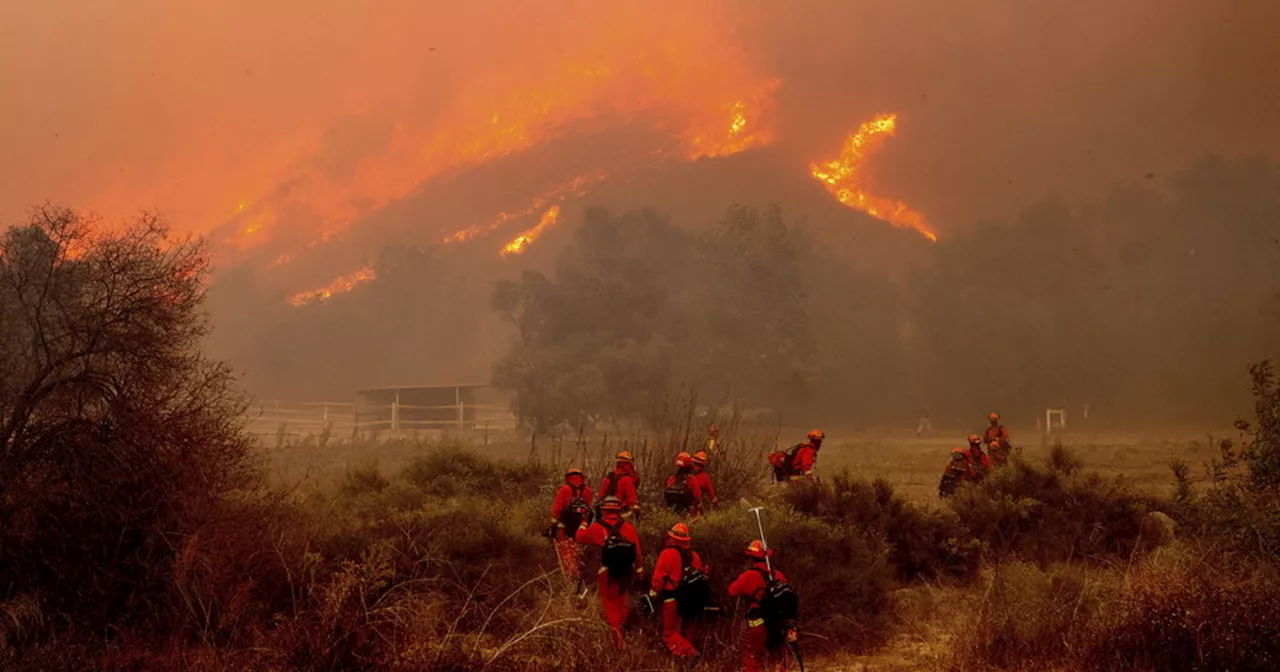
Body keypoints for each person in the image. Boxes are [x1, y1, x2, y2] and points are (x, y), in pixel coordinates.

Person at [576, 496, 644, 648]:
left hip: (606, 573)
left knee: (610, 606)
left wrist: (583, 522)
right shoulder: (629, 528)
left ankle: (618, 642)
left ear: (603, 511)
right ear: (619, 511)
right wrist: (639, 571)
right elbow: (638, 553)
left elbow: (579, 537)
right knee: (623, 603)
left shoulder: (596, 528)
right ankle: (623, 634)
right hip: (627, 572)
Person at [728, 540, 797, 672]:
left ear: (751, 558)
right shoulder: (778, 575)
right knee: (778, 657)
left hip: (758, 622)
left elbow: (732, 590)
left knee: (753, 657)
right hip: (778, 624)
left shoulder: (749, 575)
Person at [650, 522, 709, 659]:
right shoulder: (695, 556)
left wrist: (653, 593)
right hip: (693, 599)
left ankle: (691, 654)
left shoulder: (667, 553)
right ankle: (686, 662)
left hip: (672, 599)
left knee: (669, 633)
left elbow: (658, 580)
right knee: (687, 633)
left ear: (672, 538)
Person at [550, 467, 593, 580]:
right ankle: (577, 572)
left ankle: (569, 575)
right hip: (581, 526)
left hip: (564, 526)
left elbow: (557, 508)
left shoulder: (564, 489)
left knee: (565, 550)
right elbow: (588, 509)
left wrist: (553, 524)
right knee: (577, 550)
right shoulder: (587, 490)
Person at [600, 450, 640, 518]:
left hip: (606, 514)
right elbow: (632, 501)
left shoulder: (607, 478)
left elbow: (601, 496)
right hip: (622, 513)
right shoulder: (628, 479)